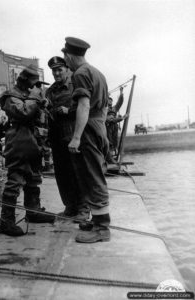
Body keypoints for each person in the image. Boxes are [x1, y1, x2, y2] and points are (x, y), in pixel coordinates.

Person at [62, 37, 110, 243]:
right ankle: (98, 219)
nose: (66, 62)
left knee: (92, 176)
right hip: (98, 127)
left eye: (65, 58)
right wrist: (100, 128)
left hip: (88, 130)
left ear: (70, 56)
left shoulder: (80, 74)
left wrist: (76, 137)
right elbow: (105, 107)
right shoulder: (98, 73)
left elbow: (83, 105)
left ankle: (102, 229)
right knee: (94, 174)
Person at [0, 64, 55, 236]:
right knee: (15, 181)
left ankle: (33, 211)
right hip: (19, 141)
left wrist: (43, 102)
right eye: (34, 83)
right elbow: (23, 113)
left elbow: (41, 114)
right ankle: (6, 222)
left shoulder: (29, 95)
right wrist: (36, 98)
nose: (36, 87)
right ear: (24, 81)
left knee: (33, 178)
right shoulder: (10, 96)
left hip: (33, 141)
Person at [46, 56, 89, 220]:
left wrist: (68, 111)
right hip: (57, 138)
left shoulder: (76, 86)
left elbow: (86, 107)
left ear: (67, 69)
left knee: (78, 172)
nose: (56, 73)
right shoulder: (50, 91)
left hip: (73, 136)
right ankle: (70, 206)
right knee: (62, 174)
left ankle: (84, 209)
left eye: (59, 70)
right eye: (54, 70)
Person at [106, 87, 128, 163]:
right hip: (107, 126)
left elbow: (120, 102)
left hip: (114, 126)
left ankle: (112, 157)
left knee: (115, 141)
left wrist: (121, 92)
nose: (110, 101)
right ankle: (109, 158)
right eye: (108, 100)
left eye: (111, 100)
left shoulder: (114, 108)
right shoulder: (104, 109)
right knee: (109, 142)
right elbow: (109, 119)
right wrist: (122, 118)